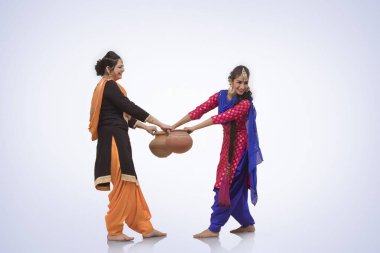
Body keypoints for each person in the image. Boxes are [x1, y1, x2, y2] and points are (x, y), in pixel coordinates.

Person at [171, 65, 263, 238]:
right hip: (227, 149)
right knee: (235, 190)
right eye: (239, 82)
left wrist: (193, 129)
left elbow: (220, 118)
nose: (242, 86)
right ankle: (247, 224)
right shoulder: (220, 96)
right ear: (231, 81)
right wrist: (174, 126)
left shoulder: (245, 104)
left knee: (226, 187)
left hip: (240, 152)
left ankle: (214, 228)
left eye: (245, 82)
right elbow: (199, 110)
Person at [89, 51, 171, 241]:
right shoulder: (109, 86)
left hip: (119, 138)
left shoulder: (107, 87)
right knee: (124, 184)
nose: (123, 70)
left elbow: (124, 116)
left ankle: (145, 228)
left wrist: (145, 127)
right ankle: (114, 230)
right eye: (120, 67)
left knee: (131, 183)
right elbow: (129, 107)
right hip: (113, 142)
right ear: (109, 69)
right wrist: (160, 123)